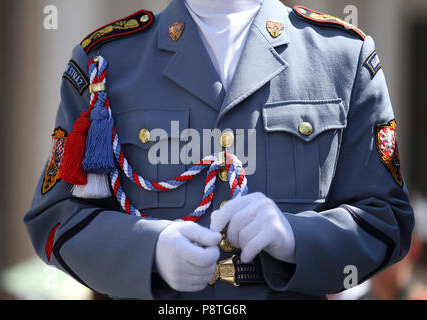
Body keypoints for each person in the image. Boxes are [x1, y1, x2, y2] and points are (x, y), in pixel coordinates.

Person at [24, 0, 415, 300]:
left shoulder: (342, 57)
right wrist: (149, 249)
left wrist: (298, 238)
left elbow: (386, 222)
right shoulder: (106, 62)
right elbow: (57, 219)